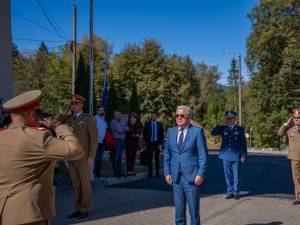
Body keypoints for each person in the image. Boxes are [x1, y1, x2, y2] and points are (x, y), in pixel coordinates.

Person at [0, 90, 84, 225]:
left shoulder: (2, 135)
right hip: (28, 215)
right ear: (31, 114)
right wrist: (58, 125)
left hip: (4, 215)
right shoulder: (37, 137)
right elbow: (76, 150)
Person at [164, 106, 208, 225]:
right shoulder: (171, 132)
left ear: (188, 117)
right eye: (177, 115)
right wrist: (167, 172)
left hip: (192, 178)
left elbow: (203, 156)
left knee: (193, 212)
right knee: (179, 212)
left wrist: (200, 174)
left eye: (182, 116)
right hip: (176, 178)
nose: (179, 118)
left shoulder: (197, 132)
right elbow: (167, 154)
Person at [65, 95, 98, 219]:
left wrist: (91, 156)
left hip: (84, 157)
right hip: (71, 156)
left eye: (76, 104)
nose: (73, 106)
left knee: (85, 185)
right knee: (76, 184)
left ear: (81, 105)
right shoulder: (68, 119)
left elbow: (94, 139)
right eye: (72, 104)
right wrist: (64, 111)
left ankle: (84, 209)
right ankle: (77, 208)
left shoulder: (88, 119)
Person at [211, 111, 247, 200]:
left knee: (236, 175)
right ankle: (229, 192)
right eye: (228, 118)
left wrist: (244, 155)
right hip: (225, 155)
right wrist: (220, 125)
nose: (230, 120)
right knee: (228, 175)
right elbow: (213, 132)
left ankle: (236, 192)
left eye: (232, 118)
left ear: (235, 119)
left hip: (236, 156)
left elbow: (243, 144)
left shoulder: (239, 129)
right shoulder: (223, 128)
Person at [277, 108, 300, 205]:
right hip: (294, 158)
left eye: (298, 118)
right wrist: (286, 123)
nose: (296, 120)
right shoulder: (290, 129)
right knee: (297, 178)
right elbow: (280, 133)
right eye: (294, 118)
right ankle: (298, 197)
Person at [143, 112, 164, 178]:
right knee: (149, 159)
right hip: (149, 143)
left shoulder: (159, 124)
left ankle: (157, 173)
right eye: (152, 116)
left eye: (155, 116)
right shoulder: (147, 124)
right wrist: (146, 143)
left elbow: (161, 135)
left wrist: (161, 144)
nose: (154, 117)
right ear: (151, 116)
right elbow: (144, 134)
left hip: (157, 143)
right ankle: (150, 173)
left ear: (156, 117)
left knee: (157, 158)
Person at [110, 111, 129, 177]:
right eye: (117, 115)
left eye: (120, 115)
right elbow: (119, 130)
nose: (119, 116)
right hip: (116, 141)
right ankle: (116, 173)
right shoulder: (113, 122)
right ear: (114, 115)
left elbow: (127, 128)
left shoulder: (121, 122)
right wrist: (123, 128)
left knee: (120, 158)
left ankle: (120, 172)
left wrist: (122, 128)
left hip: (122, 141)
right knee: (116, 157)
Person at [94, 106, 107, 179]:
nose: (102, 112)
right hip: (96, 141)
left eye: (103, 110)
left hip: (102, 142)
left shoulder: (103, 119)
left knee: (100, 159)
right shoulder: (95, 118)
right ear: (97, 111)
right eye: (100, 110)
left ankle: (98, 174)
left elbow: (105, 129)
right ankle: (95, 174)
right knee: (96, 158)